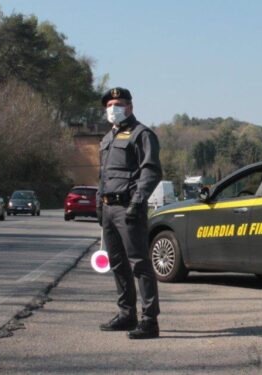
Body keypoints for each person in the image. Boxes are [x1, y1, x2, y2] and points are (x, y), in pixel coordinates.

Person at [96, 87, 163, 339]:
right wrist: (98, 204)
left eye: (119, 104)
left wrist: (137, 203)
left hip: (128, 208)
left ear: (130, 107)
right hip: (109, 209)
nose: (113, 108)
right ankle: (126, 314)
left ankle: (149, 320)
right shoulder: (107, 138)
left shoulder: (142, 134)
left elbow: (151, 172)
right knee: (117, 264)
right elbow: (103, 175)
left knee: (139, 263)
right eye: (110, 104)